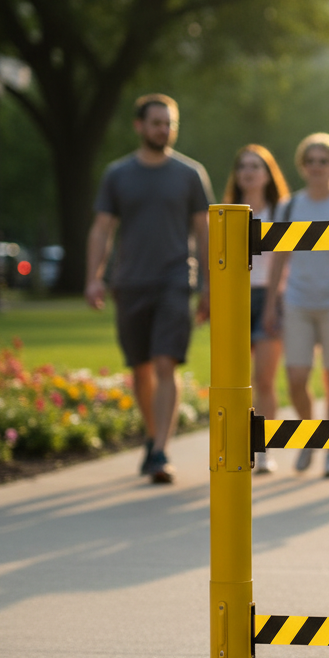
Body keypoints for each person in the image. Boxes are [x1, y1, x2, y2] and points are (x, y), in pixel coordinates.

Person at [85, 93, 213, 484]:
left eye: (170, 123)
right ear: (139, 126)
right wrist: (94, 276)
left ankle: (160, 450)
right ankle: (152, 435)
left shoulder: (190, 174)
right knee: (140, 370)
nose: (164, 129)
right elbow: (103, 228)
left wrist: (208, 282)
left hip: (175, 280)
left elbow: (204, 230)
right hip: (131, 282)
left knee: (165, 362)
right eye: (157, 122)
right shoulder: (118, 174)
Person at [264, 133, 329, 478]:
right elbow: (278, 258)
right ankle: (311, 435)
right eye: (311, 161)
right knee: (296, 377)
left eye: (324, 161)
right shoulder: (289, 206)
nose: (317, 167)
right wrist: (270, 304)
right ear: (302, 166)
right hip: (297, 300)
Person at [222, 144, 290, 475]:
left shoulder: (282, 211)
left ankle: (263, 448)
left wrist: (276, 302)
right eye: (243, 166)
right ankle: (236, 444)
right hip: (234, 298)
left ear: (267, 174)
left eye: (255, 166)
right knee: (234, 381)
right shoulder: (226, 212)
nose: (248, 172)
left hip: (271, 298)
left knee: (263, 378)